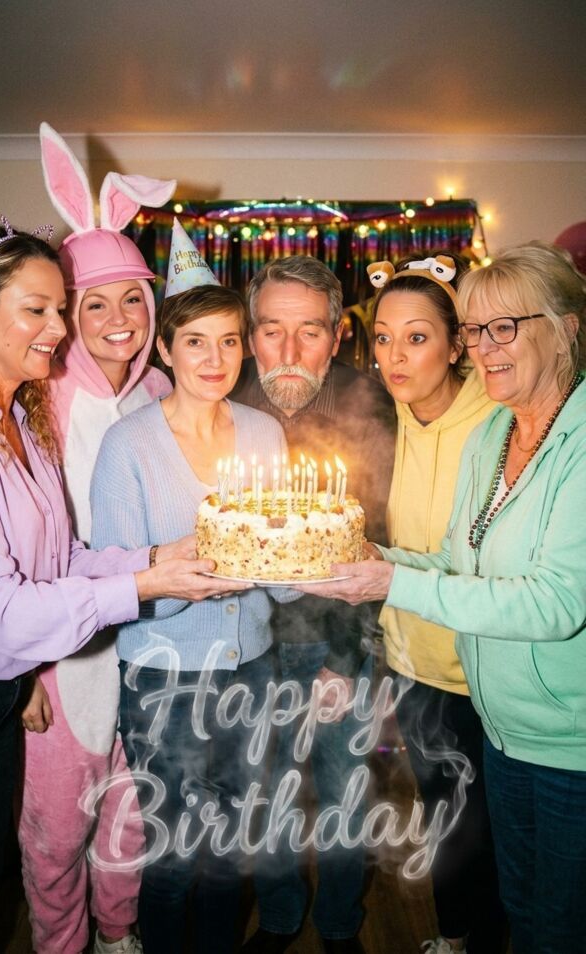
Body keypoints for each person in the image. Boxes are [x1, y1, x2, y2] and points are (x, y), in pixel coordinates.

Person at [0, 218, 240, 953]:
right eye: (39, 309)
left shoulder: (19, 416)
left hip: (16, 685)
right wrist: (140, 585)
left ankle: (114, 934)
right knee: (6, 863)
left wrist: (156, 559)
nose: (59, 327)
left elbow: (62, 555)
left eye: (58, 307)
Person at [300, 242, 586, 954]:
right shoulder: (497, 432)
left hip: (566, 732)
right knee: (509, 891)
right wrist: (377, 560)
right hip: (496, 715)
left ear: (566, 328)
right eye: (478, 329)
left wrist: (394, 582)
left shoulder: (565, 439)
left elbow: (557, 603)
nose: (486, 347)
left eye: (504, 327)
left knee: (558, 921)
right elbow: (459, 558)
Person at [90, 221, 297, 954]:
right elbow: (119, 581)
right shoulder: (128, 444)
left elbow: (278, 575)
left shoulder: (265, 433)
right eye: (196, 342)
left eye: (230, 341)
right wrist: (196, 575)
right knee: (177, 849)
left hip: (252, 667)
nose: (215, 359)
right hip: (165, 675)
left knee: (230, 841)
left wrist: (313, 567)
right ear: (166, 350)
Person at [18, 123, 176, 954]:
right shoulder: (34, 405)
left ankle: (118, 935)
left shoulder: (162, 392)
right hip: (64, 658)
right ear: (68, 314)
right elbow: (13, 546)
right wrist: (22, 671)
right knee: (56, 832)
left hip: (149, 646)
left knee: (131, 814)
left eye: (133, 299)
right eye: (95, 302)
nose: (120, 320)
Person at [233, 255, 395, 954]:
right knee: (264, 791)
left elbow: (381, 538)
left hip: (336, 641)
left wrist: (344, 659)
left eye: (310, 332)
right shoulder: (222, 397)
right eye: (272, 331)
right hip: (246, 645)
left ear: (336, 336)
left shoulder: (371, 404)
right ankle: (278, 915)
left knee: (342, 789)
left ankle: (337, 923)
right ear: (250, 336)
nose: (290, 351)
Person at [368, 253, 504, 954]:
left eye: (417, 338)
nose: (395, 356)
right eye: (383, 337)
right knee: (445, 817)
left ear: (457, 346)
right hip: (412, 656)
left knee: (495, 825)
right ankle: (454, 934)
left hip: (487, 662)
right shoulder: (385, 411)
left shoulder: (501, 420)